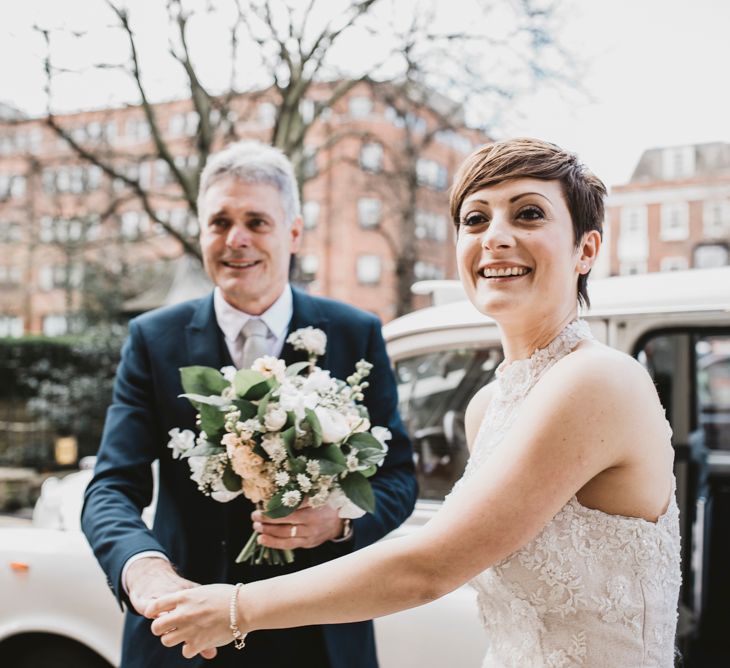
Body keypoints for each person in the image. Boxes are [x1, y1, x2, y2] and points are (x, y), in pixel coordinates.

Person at [144, 138, 682, 667]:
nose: (495, 237)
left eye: (528, 215)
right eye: (475, 220)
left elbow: (432, 565)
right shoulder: (487, 405)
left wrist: (235, 607)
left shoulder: (599, 379)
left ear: (586, 249)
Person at [81, 140, 418, 668]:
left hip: (319, 636)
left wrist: (339, 520)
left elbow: (398, 476)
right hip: (187, 632)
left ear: (294, 232)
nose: (236, 240)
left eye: (256, 222)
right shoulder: (153, 340)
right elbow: (110, 486)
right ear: (201, 233)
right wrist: (143, 567)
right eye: (219, 222)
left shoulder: (357, 333)